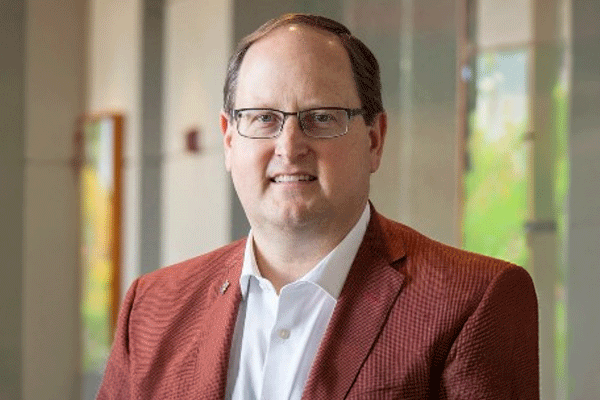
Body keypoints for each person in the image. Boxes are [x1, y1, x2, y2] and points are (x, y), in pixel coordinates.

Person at [97, 13, 538, 400]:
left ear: (374, 138)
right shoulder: (153, 306)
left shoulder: (473, 301)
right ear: (229, 140)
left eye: (323, 117)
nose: (289, 147)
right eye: (263, 118)